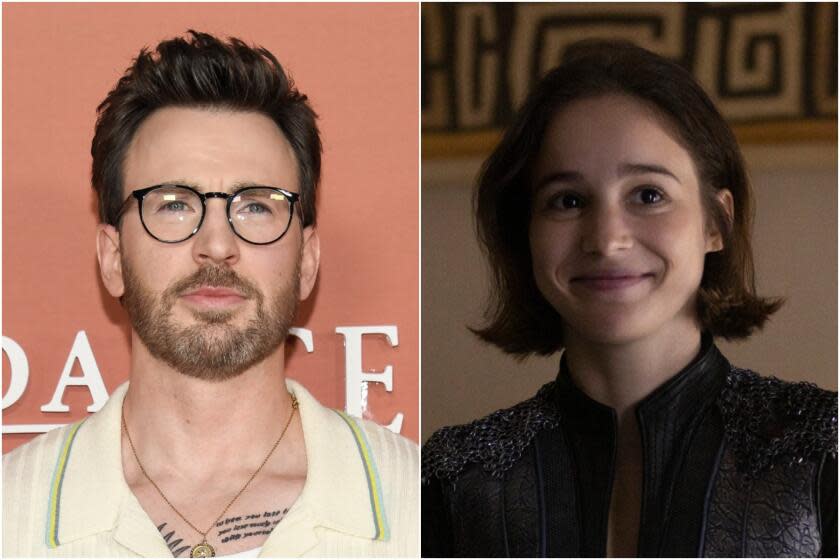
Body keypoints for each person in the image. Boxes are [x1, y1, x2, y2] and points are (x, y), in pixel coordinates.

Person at [3, 31, 418, 558]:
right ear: (112, 260)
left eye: (256, 206)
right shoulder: (10, 512)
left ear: (308, 260)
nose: (217, 245)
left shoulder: (423, 506)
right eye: (174, 204)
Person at [422, 40, 836, 558]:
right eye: (567, 201)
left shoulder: (823, 450)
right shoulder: (456, 481)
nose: (607, 238)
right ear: (525, 232)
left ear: (716, 221)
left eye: (648, 195)